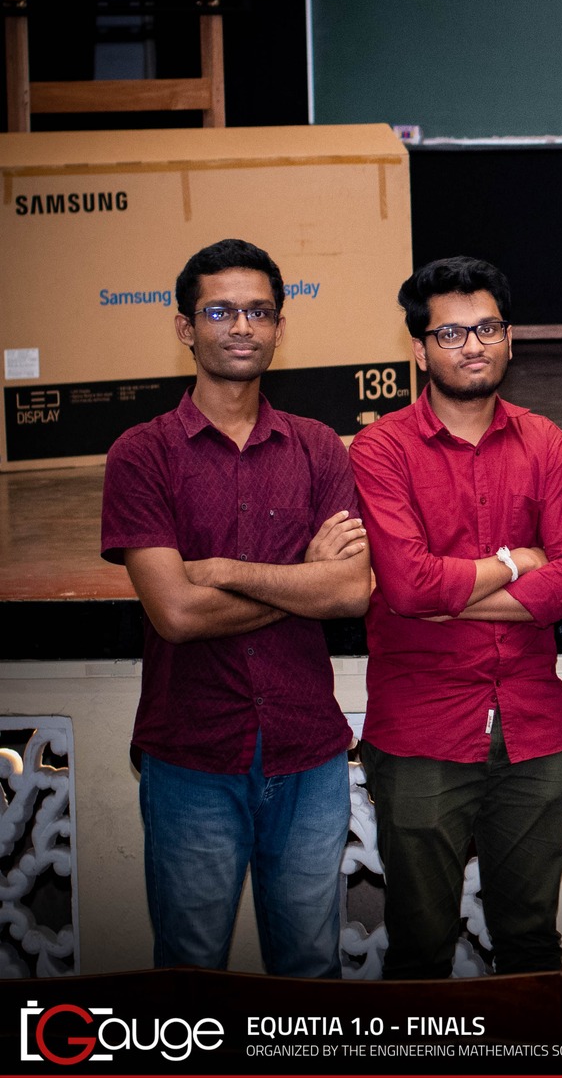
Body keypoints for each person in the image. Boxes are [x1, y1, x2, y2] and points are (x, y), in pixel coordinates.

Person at [100, 238, 370, 974]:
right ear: (186, 328)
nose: (242, 326)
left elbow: (351, 591)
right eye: (220, 311)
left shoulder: (319, 448)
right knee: (190, 970)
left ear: (280, 327)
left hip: (307, 753)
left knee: (311, 969)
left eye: (259, 311)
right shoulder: (141, 454)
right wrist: (302, 581)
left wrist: (222, 572)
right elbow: (177, 615)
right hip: (192, 754)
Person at [349, 257, 562, 978]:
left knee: (533, 947)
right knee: (421, 950)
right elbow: (408, 585)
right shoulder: (381, 448)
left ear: (510, 338)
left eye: (488, 327)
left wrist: (446, 593)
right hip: (422, 730)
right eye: (450, 333)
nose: (473, 345)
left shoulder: (546, 442)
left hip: (534, 731)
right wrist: (518, 562)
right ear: (419, 349)